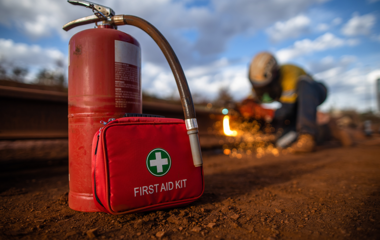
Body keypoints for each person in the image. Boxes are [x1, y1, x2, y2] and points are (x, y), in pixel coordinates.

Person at [239, 52, 329, 153]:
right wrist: (245, 104)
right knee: (281, 142)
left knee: (304, 83)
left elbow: (286, 110)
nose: (262, 89)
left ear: (274, 75)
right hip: (296, 109)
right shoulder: (260, 80)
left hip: (315, 92)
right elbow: (256, 96)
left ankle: (307, 136)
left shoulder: (289, 73)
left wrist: (265, 112)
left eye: (265, 86)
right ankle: (326, 131)